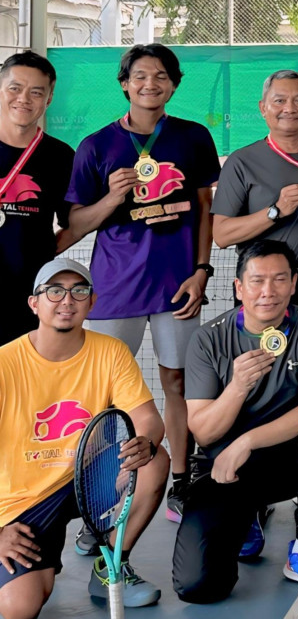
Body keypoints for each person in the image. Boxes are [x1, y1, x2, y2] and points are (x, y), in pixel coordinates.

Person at [65, 43, 220, 524]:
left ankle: (180, 479)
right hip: (116, 290)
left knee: (178, 382)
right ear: (124, 83)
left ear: (173, 85)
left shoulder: (193, 138)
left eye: (160, 76)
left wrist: (201, 270)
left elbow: (205, 211)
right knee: (104, 393)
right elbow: (76, 224)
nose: (150, 84)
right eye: (140, 76)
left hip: (177, 287)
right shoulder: (96, 146)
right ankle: (99, 493)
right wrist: (111, 198)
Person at [173, 240, 298, 603]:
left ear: (294, 283)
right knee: (198, 587)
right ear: (239, 287)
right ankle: (245, 515)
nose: (268, 292)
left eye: (279, 279)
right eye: (256, 281)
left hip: (286, 459)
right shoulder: (208, 339)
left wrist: (247, 441)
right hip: (225, 469)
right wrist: (237, 387)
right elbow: (203, 431)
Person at [0, 258, 168, 618]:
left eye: (79, 291)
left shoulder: (110, 351)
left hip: (84, 478)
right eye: (55, 291)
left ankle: (111, 563)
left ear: (92, 303)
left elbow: (147, 419)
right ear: (34, 303)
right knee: (19, 606)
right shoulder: (4, 364)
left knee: (154, 461)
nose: (67, 300)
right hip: (20, 502)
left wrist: (147, 440)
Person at [211, 69, 298, 329]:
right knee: (258, 363)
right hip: (261, 281)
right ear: (263, 108)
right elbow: (221, 235)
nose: (290, 108)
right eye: (279, 100)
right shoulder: (241, 162)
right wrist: (275, 210)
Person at [0, 52, 76, 346]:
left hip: (29, 296)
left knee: (23, 384)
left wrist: (40, 252)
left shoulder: (60, 156)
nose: (24, 99)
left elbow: (73, 223)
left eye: (36, 92)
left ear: (49, 98)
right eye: (15, 88)